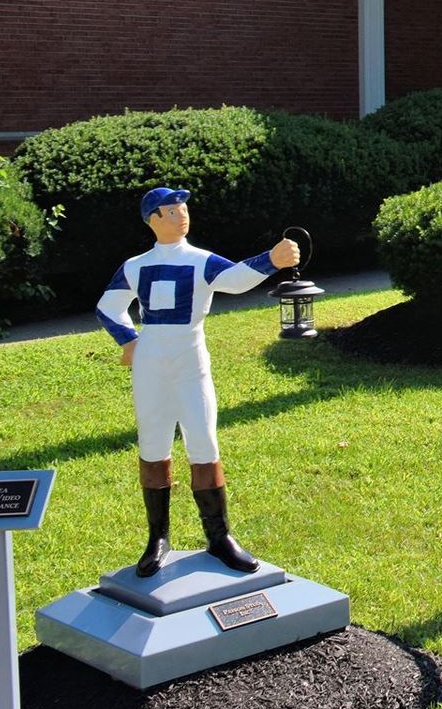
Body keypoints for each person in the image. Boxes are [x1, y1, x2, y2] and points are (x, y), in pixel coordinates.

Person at [95, 187, 299, 577]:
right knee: (153, 444)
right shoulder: (135, 265)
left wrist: (270, 261)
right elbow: (109, 306)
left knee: (203, 442)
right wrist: (129, 340)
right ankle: (158, 538)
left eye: (183, 208)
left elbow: (234, 279)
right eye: (170, 211)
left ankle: (219, 536)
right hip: (151, 364)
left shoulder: (200, 260)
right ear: (153, 219)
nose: (180, 215)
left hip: (191, 360)